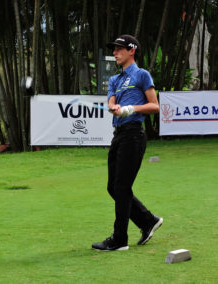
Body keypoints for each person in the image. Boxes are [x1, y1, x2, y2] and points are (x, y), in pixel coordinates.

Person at [92, 34, 163, 251]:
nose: (114, 53)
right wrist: (114, 105)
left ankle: (120, 239)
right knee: (113, 187)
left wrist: (130, 109)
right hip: (119, 135)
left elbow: (155, 106)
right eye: (114, 49)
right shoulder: (115, 79)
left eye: (118, 49)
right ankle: (148, 221)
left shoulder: (142, 75)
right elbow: (111, 98)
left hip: (134, 134)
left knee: (122, 187)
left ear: (131, 50)